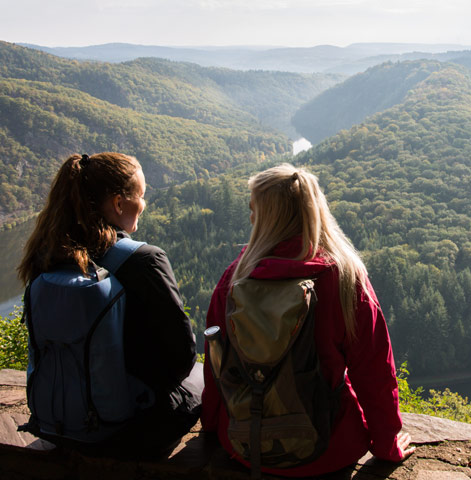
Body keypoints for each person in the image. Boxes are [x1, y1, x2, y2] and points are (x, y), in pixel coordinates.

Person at [202, 163, 415, 477]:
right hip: (329, 449)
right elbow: (374, 371)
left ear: (268, 217)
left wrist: (213, 426)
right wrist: (386, 444)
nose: (250, 217)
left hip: (246, 445)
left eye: (254, 209)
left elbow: (217, 364)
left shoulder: (236, 278)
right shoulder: (343, 278)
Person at [18, 152, 201, 458]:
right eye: (141, 196)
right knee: (202, 373)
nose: (144, 204)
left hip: (58, 420)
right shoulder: (144, 260)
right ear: (119, 203)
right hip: (127, 429)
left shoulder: (47, 254)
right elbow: (182, 356)